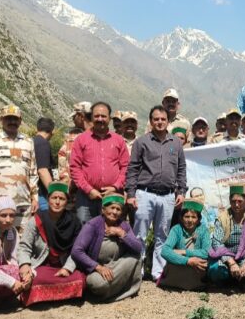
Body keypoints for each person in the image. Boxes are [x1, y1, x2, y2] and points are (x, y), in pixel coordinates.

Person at [126, 105, 187, 281]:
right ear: (151, 121)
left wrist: (181, 191)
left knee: (163, 235)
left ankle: (158, 272)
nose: (159, 122)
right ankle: (137, 271)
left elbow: (181, 169)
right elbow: (133, 169)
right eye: (156, 119)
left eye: (163, 119)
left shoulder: (176, 143)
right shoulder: (141, 142)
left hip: (168, 196)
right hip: (144, 193)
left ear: (168, 121)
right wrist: (130, 194)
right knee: (140, 234)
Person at [17, 182, 85, 306]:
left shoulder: (74, 222)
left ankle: (48, 297)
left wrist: (67, 269)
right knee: (36, 279)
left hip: (63, 265)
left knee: (79, 279)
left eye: (62, 199)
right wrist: (25, 265)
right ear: (48, 199)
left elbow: (77, 250)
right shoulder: (36, 220)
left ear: (66, 202)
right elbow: (24, 246)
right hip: (42, 265)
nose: (57, 202)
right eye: (54, 198)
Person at [71, 194, 142, 302]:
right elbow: (76, 251)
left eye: (118, 209)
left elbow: (138, 248)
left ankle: (114, 289)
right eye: (112, 208)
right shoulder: (92, 225)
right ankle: (121, 288)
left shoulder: (123, 226)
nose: (115, 212)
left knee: (136, 257)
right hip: (97, 270)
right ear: (103, 210)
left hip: (117, 266)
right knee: (95, 283)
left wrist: (121, 233)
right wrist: (98, 267)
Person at [69, 102, 129, 224]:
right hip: (86, 197)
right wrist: (89, 189)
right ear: (91, 117)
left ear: (109, 118)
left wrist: (115, 186)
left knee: (111, 232)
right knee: (84, 231)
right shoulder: (81, 139)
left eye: (103, 116)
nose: (100, 119)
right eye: (96, 116)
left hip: (112, 197)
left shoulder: (118, 140)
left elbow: (126, 167)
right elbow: (75, 168)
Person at [0, 105, 38, 229]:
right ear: (1, 119)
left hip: (22, 202)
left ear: (20, 120)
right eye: (8, 118)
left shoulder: (28, 141)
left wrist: (34, 198)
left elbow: (33, 172)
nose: (12, 122)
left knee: (21, 241)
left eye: (15, 119)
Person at [207, 185, 245, 288]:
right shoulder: (223, 218)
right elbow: (217, 242)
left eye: (240, 201)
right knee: (216, 269)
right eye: (233, 201)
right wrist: (231, 262)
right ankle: (230, 281)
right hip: (227, 257)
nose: (236, 204)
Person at [159, 199, 210, 290]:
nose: (190, 220)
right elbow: (165, 251)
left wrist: (184, 252)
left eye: (193, 217)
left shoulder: (203, 230)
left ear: (198, 219)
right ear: (182, 218)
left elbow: (206, 252)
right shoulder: (176, 229)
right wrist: (188, 261)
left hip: (196, 267)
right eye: (187, 216)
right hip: (181, 264)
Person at [57, 101, 92, 185]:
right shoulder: (71, 136)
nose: (73, 119)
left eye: (74, 116)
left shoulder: (98, 134)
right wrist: (66, 181)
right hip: (73, 187)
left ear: (81, 116)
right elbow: (62, 157)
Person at [33, 117, 56, 212]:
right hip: (41, 194)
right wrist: (54, 192)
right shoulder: (43, 143)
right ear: (52, 131)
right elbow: (42, 170)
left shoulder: (31, 141)